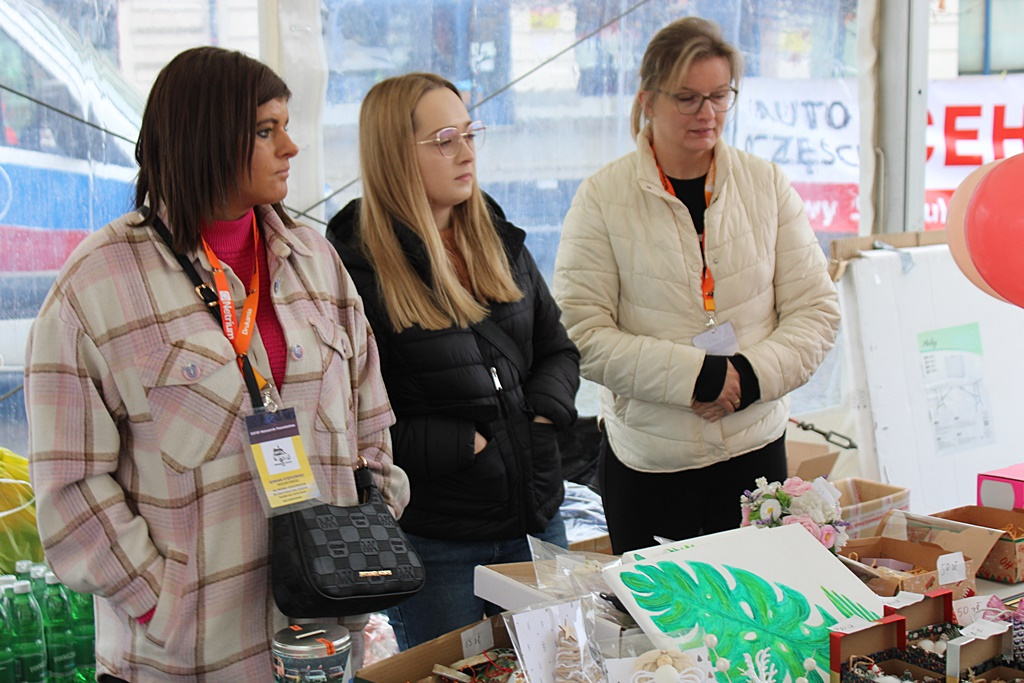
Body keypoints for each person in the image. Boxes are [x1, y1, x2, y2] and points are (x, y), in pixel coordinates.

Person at [23, 46, 409, 681]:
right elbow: (70, 488)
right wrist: (163, 604)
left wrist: (372, 523)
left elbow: (371, 419)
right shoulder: (96, 285)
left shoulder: (315, 261)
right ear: (204, 136)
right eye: (266, 130)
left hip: (324, 644)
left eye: (286, 126)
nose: (290, 147)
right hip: (190, 659)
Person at [553, 17, 841, 555]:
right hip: (652, 462)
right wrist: (698, 376)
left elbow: (817, 311)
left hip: (756, 450)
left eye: (719, 95)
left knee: (759, 602)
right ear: (648, 100)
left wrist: (746, 377)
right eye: (687, 98)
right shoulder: (602, 198)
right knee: (664, 611)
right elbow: (581, 334)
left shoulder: (766, 184)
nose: (706, 113)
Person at [325, 72, 580, 649]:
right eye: (444, 140)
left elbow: (558, 349)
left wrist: (539, 416)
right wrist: (462, 444)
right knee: (452, 674)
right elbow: (345, 419)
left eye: (469, 133)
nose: (466, 153)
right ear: (396, 154)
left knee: (565, 664)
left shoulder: (494, 235)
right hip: (438, 540)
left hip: (536, 519)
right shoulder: (355, 267)